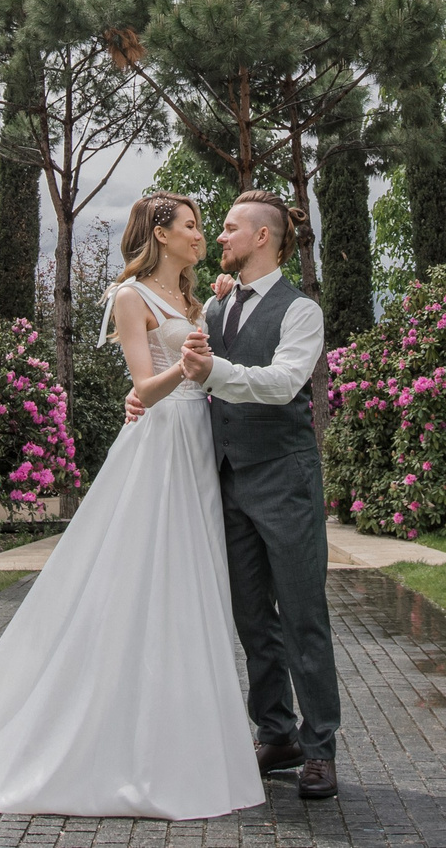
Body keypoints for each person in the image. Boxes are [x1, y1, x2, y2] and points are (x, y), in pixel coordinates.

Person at [0, 193, 264, 820]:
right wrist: (191, 370)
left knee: (193, 583)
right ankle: (114, 739)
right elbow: (144, 384)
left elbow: (206, 346)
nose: (202, 235)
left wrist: (212, 322)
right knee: (146, 577)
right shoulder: (129, 298)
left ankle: (183, 737)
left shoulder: (201, 300)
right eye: (194, 226)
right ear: (162, 233)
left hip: (201, 444)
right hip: (163, 440)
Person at [147, 187, 344, 801]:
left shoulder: (300, 310)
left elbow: (286, 383)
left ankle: (319, 749)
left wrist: (215, 375)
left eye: (230, 228)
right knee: (252, 617)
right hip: (228, 481)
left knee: (303, 615)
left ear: (263, 237)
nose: (219, 238)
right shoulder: (219, 306)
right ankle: (276, 732)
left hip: (285, 482)